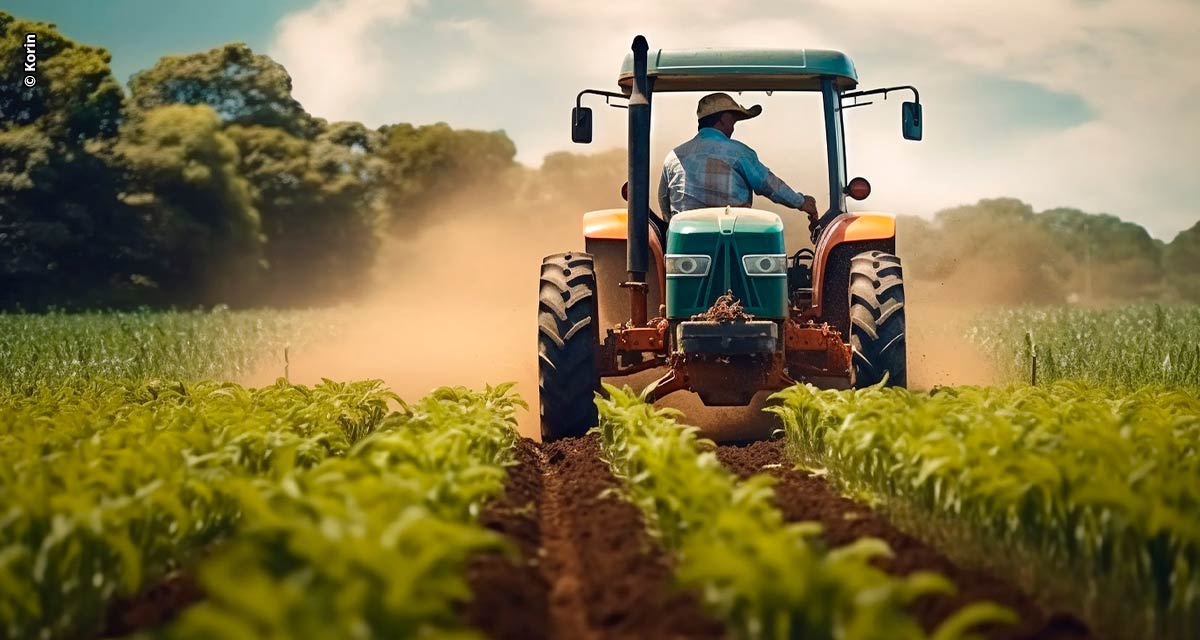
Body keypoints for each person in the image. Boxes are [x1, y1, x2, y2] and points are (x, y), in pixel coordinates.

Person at [658, 92, 818, 229]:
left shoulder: (673, 157)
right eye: (733, 122)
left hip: (685, 242)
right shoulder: (738, 152)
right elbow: (769, 185)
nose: (733, 128)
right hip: (733, 238)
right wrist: (801, 202)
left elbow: (664, 201)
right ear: (724, 119)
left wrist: (674, 228)